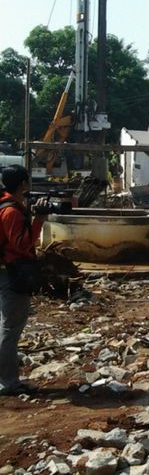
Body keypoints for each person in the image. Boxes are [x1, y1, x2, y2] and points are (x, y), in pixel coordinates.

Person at [0, 165, 47, 396]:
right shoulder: (11, 212)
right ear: (23, 184)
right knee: (10, 328)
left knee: (6, 325)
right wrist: (39, 221)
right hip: (12, 273)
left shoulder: (7, 205)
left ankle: (7, 378)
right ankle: (8, 382)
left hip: (5, 271)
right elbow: (20, 245)